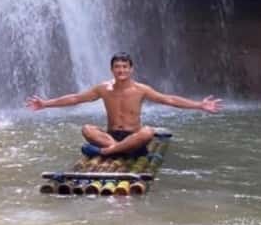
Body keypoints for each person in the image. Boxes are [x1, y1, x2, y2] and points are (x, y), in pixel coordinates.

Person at [25, 51, 222, 158]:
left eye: (124, 67)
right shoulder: (103, 88)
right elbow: (76, 98)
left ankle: (106, 152)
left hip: (133, 136)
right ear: (112, 69)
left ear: (131, 69)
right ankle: (120, 149)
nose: (121, 70)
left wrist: (199, 105)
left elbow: (169, 99)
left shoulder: (141, 89)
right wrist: (45, 104)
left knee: (148, 132)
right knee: (87, 129)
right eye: (117, 67)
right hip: (112, 135)